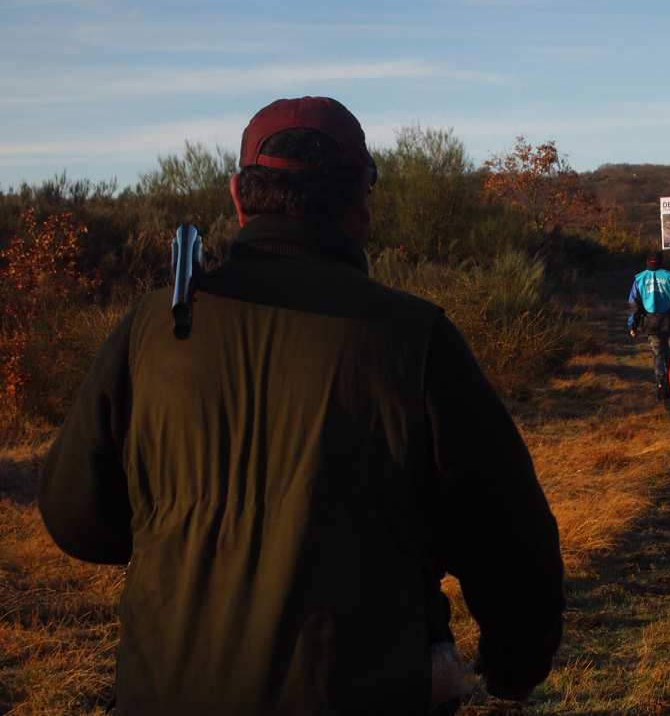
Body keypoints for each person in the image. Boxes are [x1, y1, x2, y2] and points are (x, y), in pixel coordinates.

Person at [38, 97, 564, 715]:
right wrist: (511, 668)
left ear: (239, 198)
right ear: (361, 197)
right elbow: (509, 540)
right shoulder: (416, 337)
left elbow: (75, 519)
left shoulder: (151, 327)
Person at [628, 250, 670, 405]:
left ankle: (660, 382)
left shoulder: (639, 278)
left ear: (647, 261)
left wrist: (633, 325)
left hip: (651, 323)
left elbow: (634, 305)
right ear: (661, 261)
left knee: (658, 355)